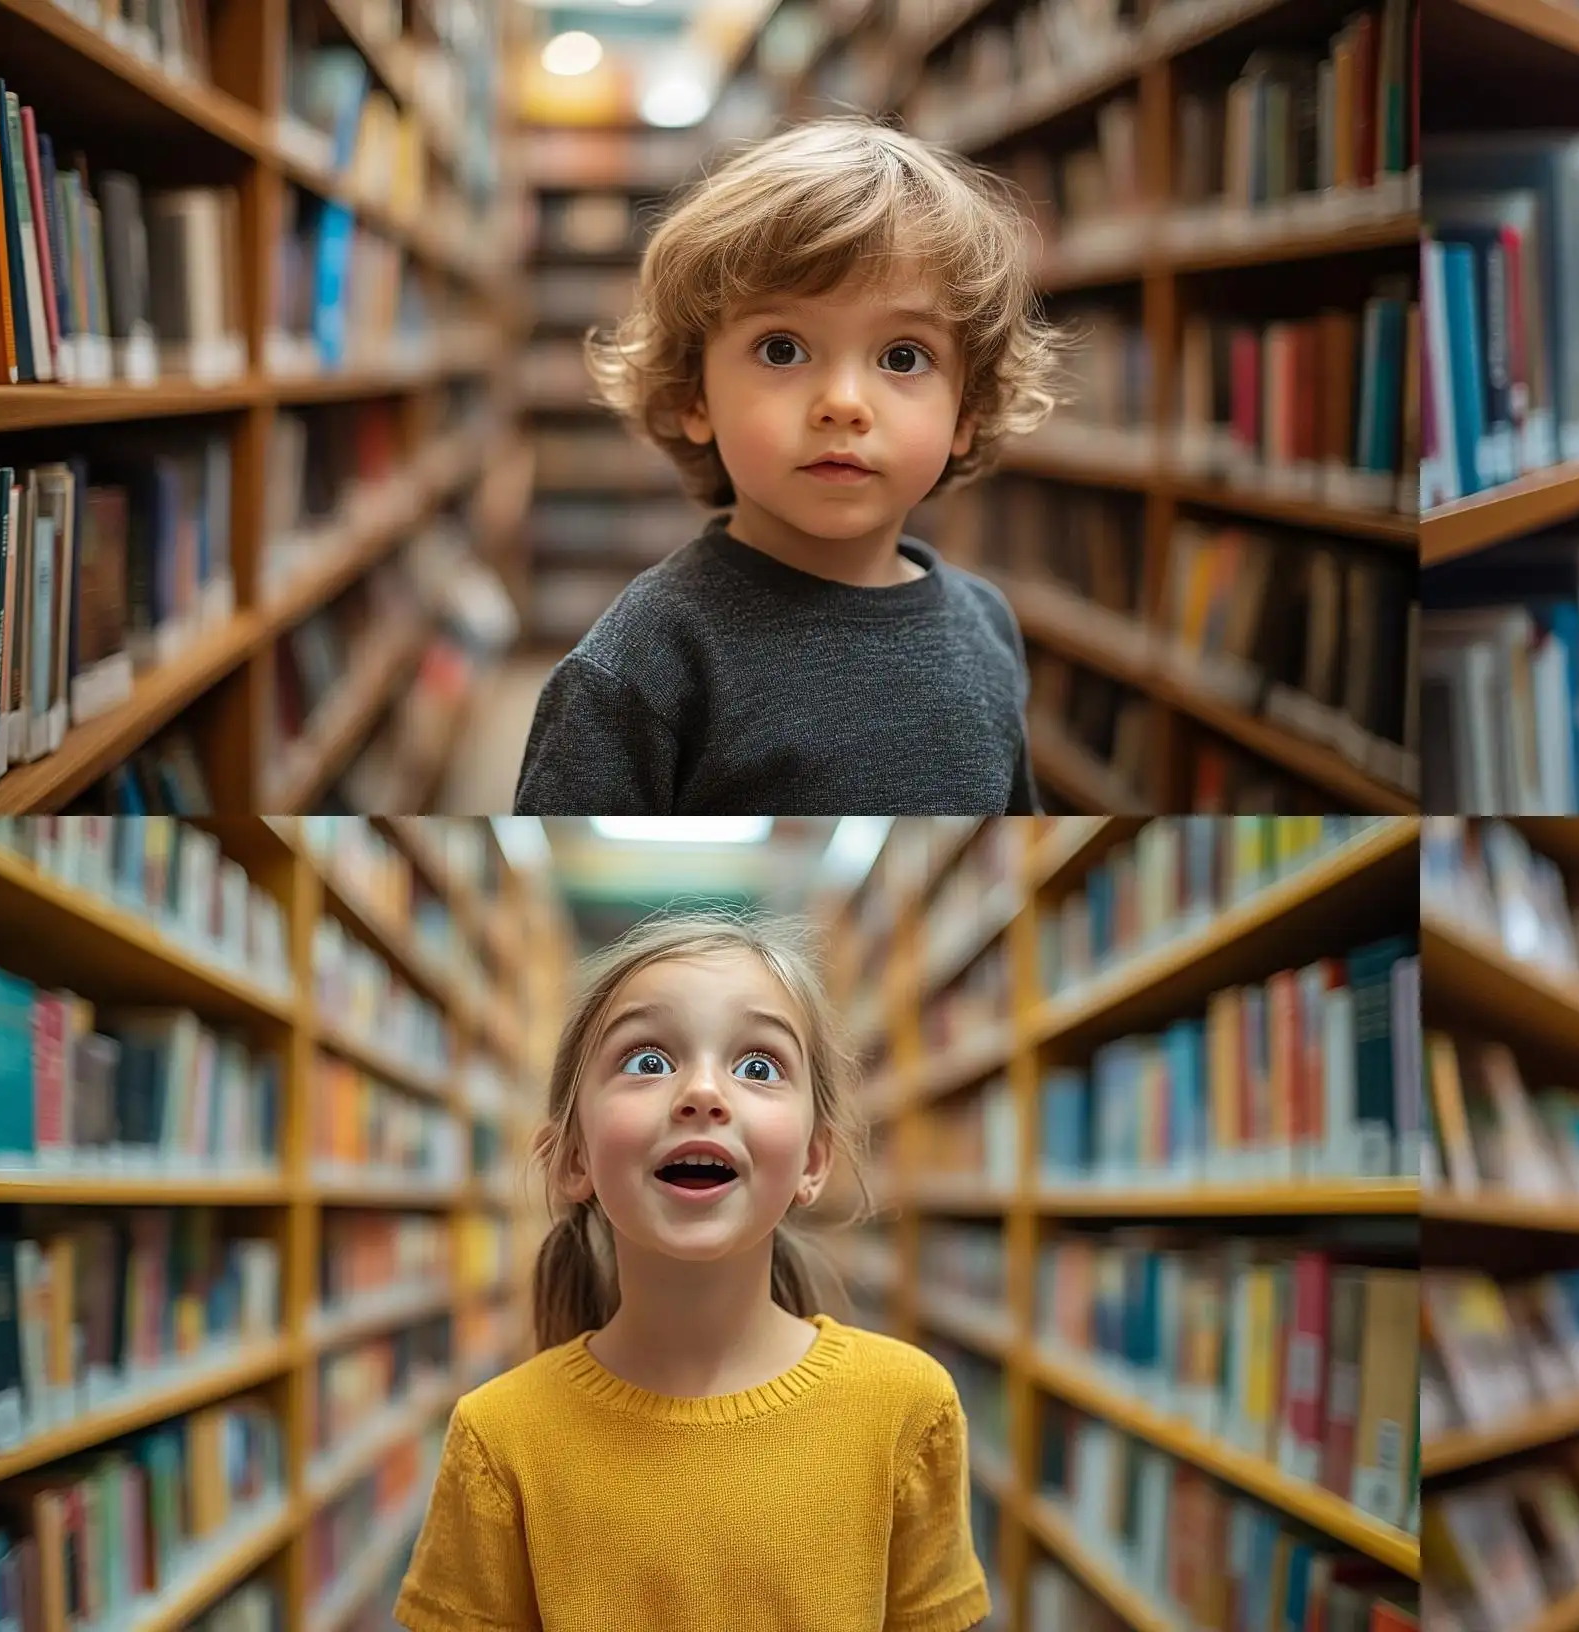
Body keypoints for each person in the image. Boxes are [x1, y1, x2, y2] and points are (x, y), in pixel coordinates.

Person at [394, 911, 988, 1632]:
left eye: (758, 1067)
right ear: (573, 1156)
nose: (703, 1094)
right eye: (648, 1061)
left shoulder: (907, 1409)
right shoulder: (499, 1438)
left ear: (813, 1160)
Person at [514, 117, 1061, 815]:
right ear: (693, 394)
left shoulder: (986, 625)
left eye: (903, 357)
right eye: (781, 350)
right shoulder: (642, 664)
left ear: (968, 413)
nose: (843, 403)